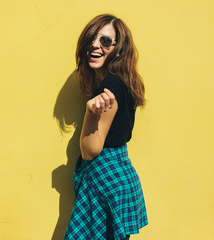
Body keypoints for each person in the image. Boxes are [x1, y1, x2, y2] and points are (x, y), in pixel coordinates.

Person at [63, 14, 148, 240]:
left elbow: (91, 150)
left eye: (106, 41)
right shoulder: (123, 82)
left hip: (104, 178)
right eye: (91, 38)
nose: (94, 45)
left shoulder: (109, 87)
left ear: (118, 49)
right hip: (121, 174)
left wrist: (91, 112)